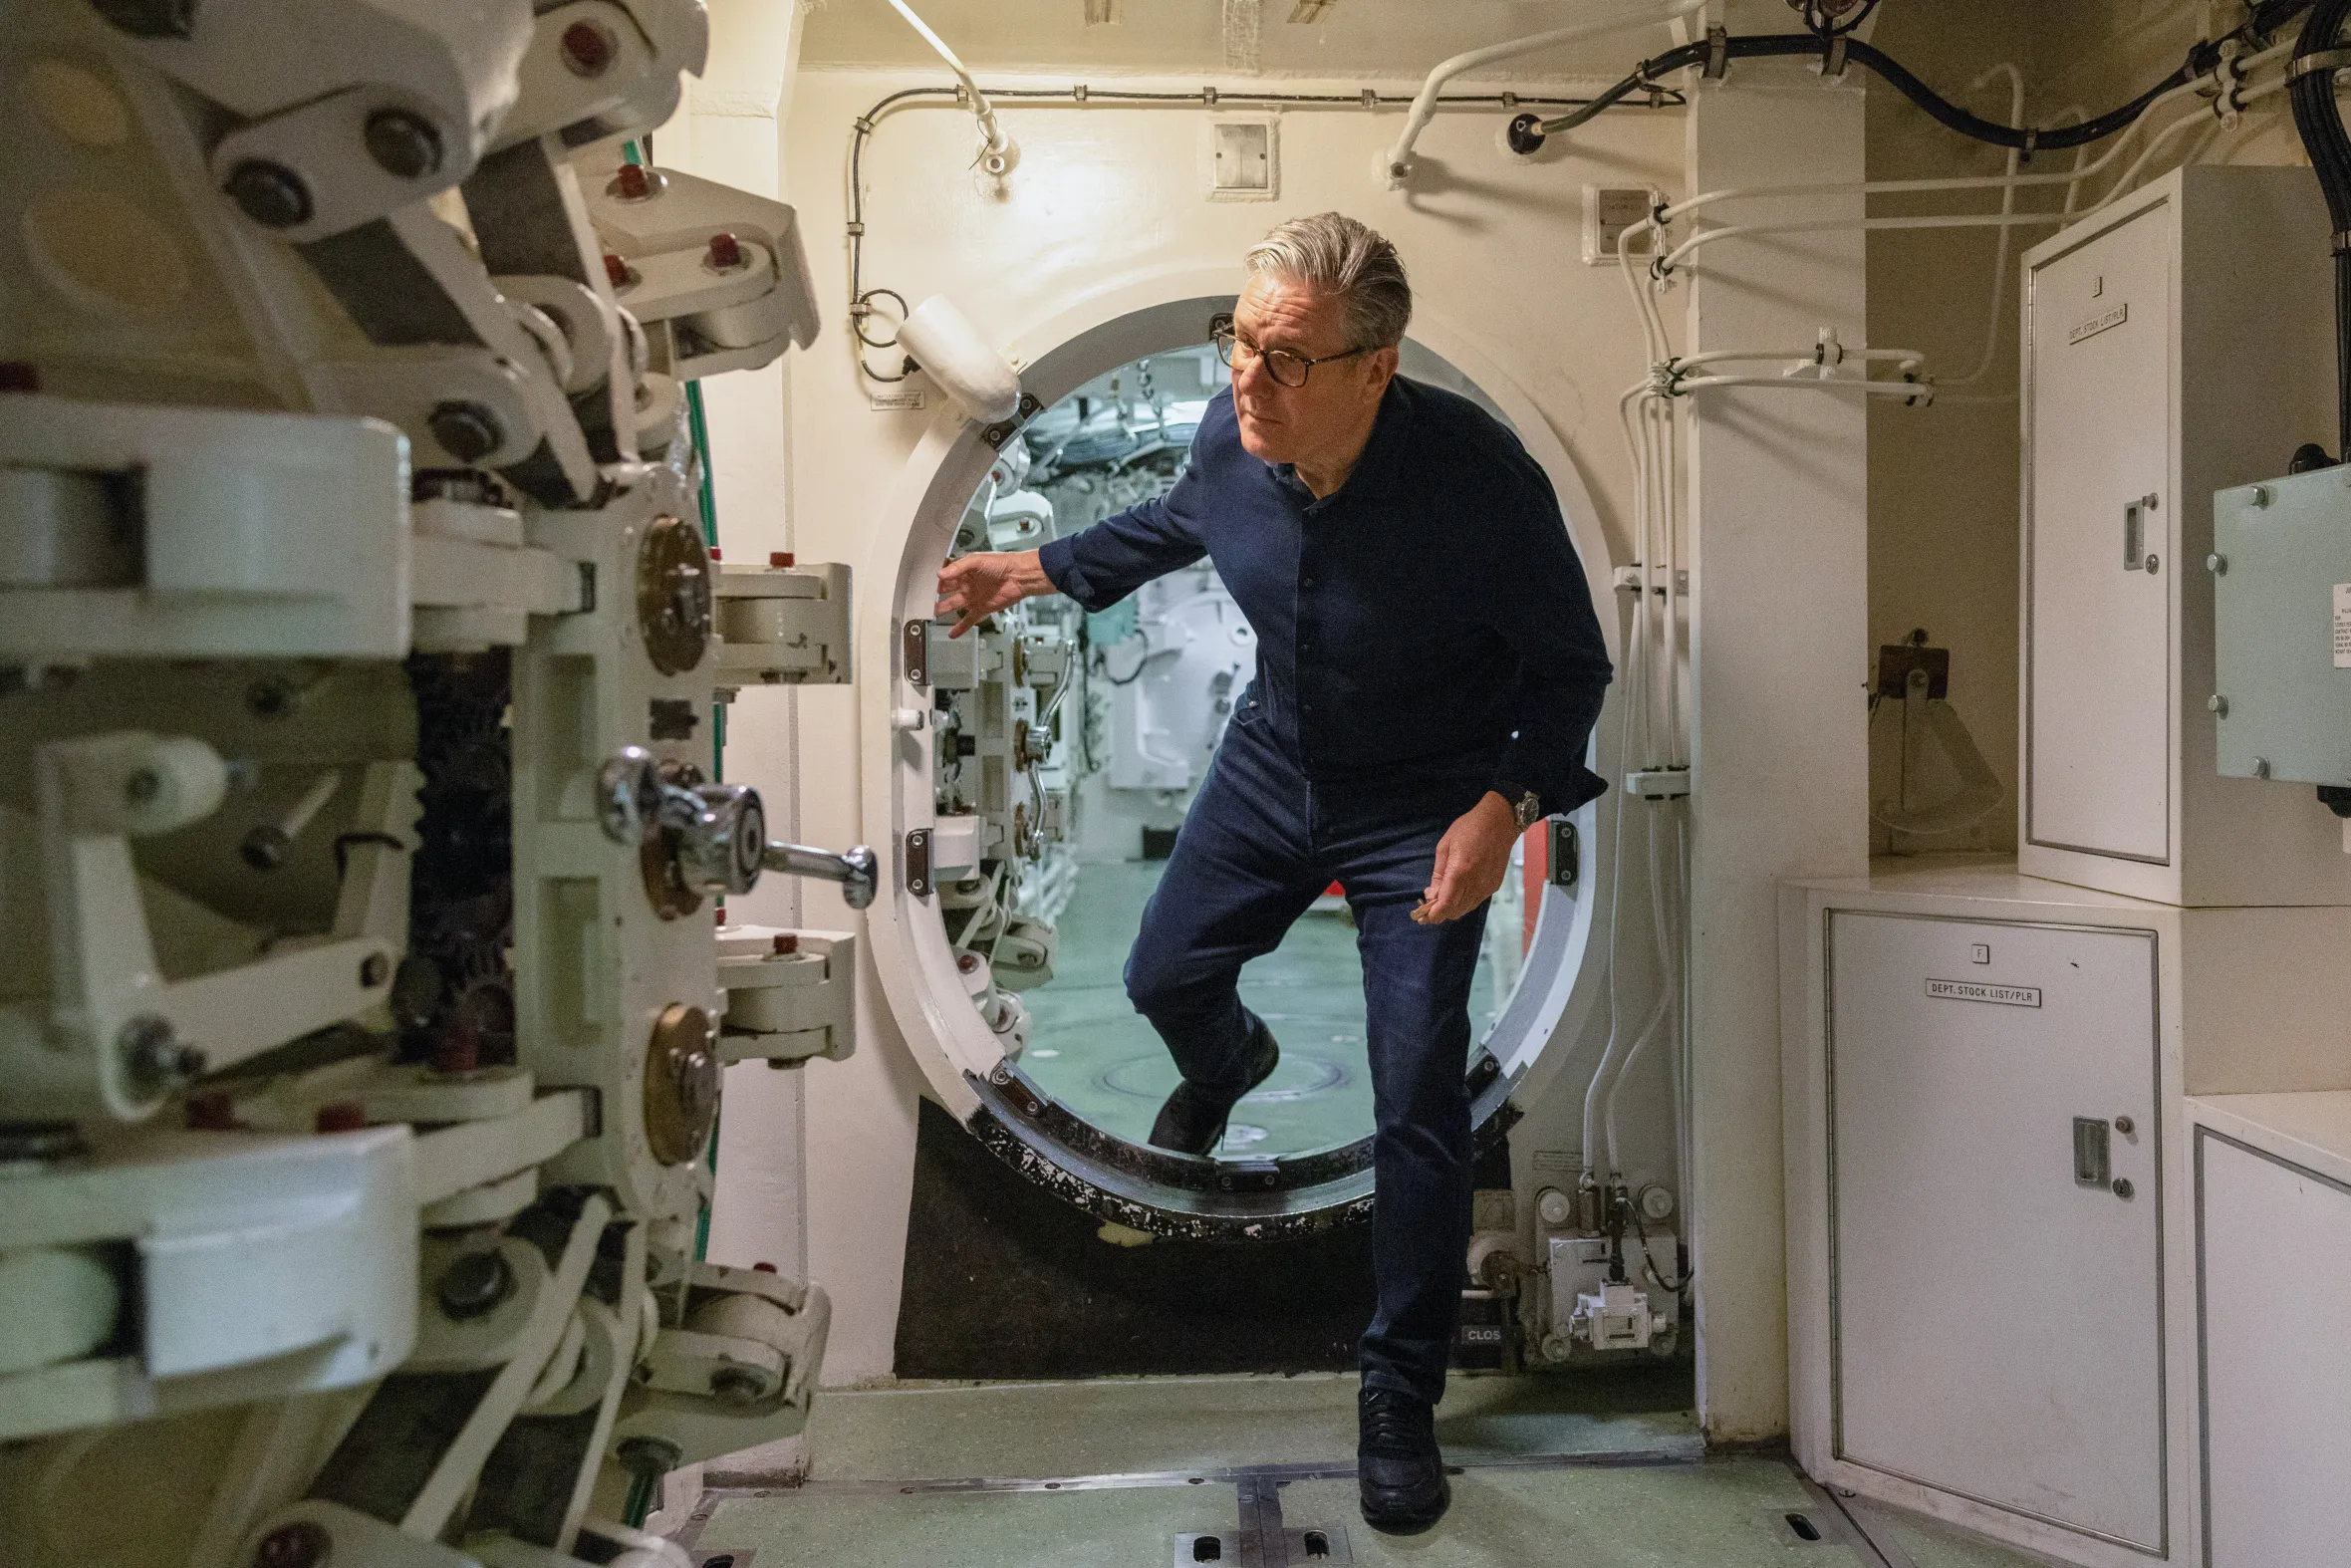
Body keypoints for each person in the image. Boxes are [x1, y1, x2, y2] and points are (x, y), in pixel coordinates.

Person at [935, 212, 1612, 1534]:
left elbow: (1571, 669)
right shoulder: (1229, 437)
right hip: (1275, 758)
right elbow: (1176, 523)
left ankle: (1398, 1392)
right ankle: (1231, 1059)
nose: (1250, 374)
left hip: (1427, 801)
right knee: (1159, 970)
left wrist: (1504, 804)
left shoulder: (1480, 481)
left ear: (1375, 367)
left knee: (1418, 1091)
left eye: (1287, 355)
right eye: (1242, 339)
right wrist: (1026, 569)